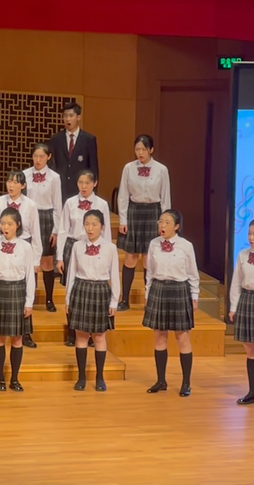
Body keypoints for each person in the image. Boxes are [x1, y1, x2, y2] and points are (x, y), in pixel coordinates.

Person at [143, 209, 198, 397]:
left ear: (176, 226)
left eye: (166, 222)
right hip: (158, 289)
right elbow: (149, 273)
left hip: (179, 290)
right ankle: (161, 380)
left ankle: (186, 383)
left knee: (182, 337)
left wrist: (194, 297)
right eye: (160, 221)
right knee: (159, 336)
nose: (162, 225)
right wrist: (148, 294)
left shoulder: (186, 246)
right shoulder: (153, 244)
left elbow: (192, 274)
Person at [64, 210, 120, 391]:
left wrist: (114, 302)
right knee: (81, 334)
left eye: (94, 224)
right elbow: (71, 273)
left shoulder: (110, 248)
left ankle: (99, 377)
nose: (90, 228)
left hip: (101, 290)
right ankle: (81, 377)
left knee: (99, 336)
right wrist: (68, 299)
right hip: (81, 289)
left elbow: (115, 277)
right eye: (87, 224)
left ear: (102, 227)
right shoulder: (77, 246)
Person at [0, 170, 41, 348]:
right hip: (1, 248)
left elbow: (36, 232)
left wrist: (36, 260)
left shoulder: (30, 205)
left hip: (24, 249)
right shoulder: (0, 202)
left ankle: (24, 334)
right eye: (9, 181)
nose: (11, 185)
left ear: (23, 186)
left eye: (16, 182)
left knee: (23, 293)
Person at [0, 208, 36, 392]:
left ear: (18, 225)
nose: (6, 227)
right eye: (3, 223)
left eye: (10, 224)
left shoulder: (26, 247)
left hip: (18, 292)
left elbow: (30, 276)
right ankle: (0, 379)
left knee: (17, 339)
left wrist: (29, 302)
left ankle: (14, 378)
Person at [56, 170, 111, 347]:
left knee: (91, 290)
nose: (84, 186)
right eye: (81, 182)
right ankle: (74, 333)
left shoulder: (101, 204)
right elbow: (63, 229)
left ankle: (92, 333)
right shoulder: (70, 202)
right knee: (72, 291)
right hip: (73, 246)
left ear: (95, 183)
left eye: (87, 183)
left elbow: (107, 231)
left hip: (95, 247)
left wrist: (107, 255)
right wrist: (59, 257)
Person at [117, 135, 172, 311]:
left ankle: (150, 300)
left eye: (143, 149)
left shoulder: (161, 169)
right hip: (134, 211)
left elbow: (166, 197)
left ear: (151, 150)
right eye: (137, 149)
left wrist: (165, 222)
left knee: (149, 258)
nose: (140, 153)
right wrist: (123, 219)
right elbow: (123, 195)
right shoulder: (128, 168)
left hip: (153, 213)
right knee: (131, 257)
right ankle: (124, 299)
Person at [24, 144, 64, 312]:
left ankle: (49, 299)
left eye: (41, 156)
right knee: (30, 259)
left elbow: (57, 204)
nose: (38, 159)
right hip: (28, 216)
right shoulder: (25, 175)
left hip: (47, 217)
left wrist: (56, 230)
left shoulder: (54, 177)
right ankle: (29, 299)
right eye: (35, 156)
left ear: (48, 157)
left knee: (47, 260)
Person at [48, 101, 98, 200]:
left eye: (71, 115)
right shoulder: (56, 139)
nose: (68, 119)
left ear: (78, 117)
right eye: (65, 116)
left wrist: (92, 192)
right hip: (60, 190)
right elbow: (52, 166)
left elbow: (93, 167)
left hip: (80, 190)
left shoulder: (88, 139)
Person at [229, 221, 254, 405]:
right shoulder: (242, 255)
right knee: (249, 348)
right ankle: (252, 391)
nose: (251, 238)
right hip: (247, 299)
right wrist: (233, 307)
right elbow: (236, 282)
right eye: (249, 233)